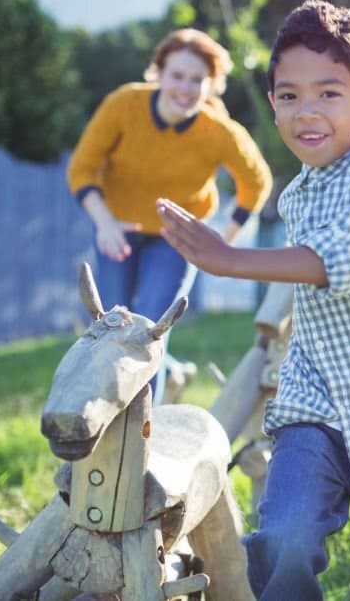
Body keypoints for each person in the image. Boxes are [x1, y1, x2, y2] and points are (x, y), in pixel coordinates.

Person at [156, 0, 350, 600]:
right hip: (315, 395)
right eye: (288, 95)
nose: (307, 112)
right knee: (286, 540)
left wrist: (226, 259)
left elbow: (346, 260)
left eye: (329, 94)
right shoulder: (298, 195)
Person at [67, 28, 273, 401]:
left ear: (212, 86)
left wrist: (223, 239)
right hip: (119, 228)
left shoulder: (219, 132)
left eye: (198, 80)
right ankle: (149, 388)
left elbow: (257, 181)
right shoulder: (124, 105)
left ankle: (144, 434)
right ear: (158, 73)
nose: (186, 88)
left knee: (148, 330)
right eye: (177, 75)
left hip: (176, 238)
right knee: (112, 328)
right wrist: (104, 221)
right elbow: (82, 167)